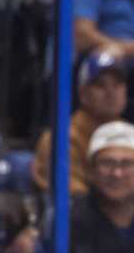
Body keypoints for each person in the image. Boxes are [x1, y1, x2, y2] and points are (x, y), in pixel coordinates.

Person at [33, 50, 128, 197]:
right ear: (83, 93)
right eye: (100, 85)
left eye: (117, 85)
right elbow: (73, 196)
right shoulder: (61, 139)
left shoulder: (129, 135)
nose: (111, 92)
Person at [69, 120, 134, 253]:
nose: (117, 174)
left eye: (127, 164)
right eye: (107, 163)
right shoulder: (70, 219)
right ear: (90, 171)